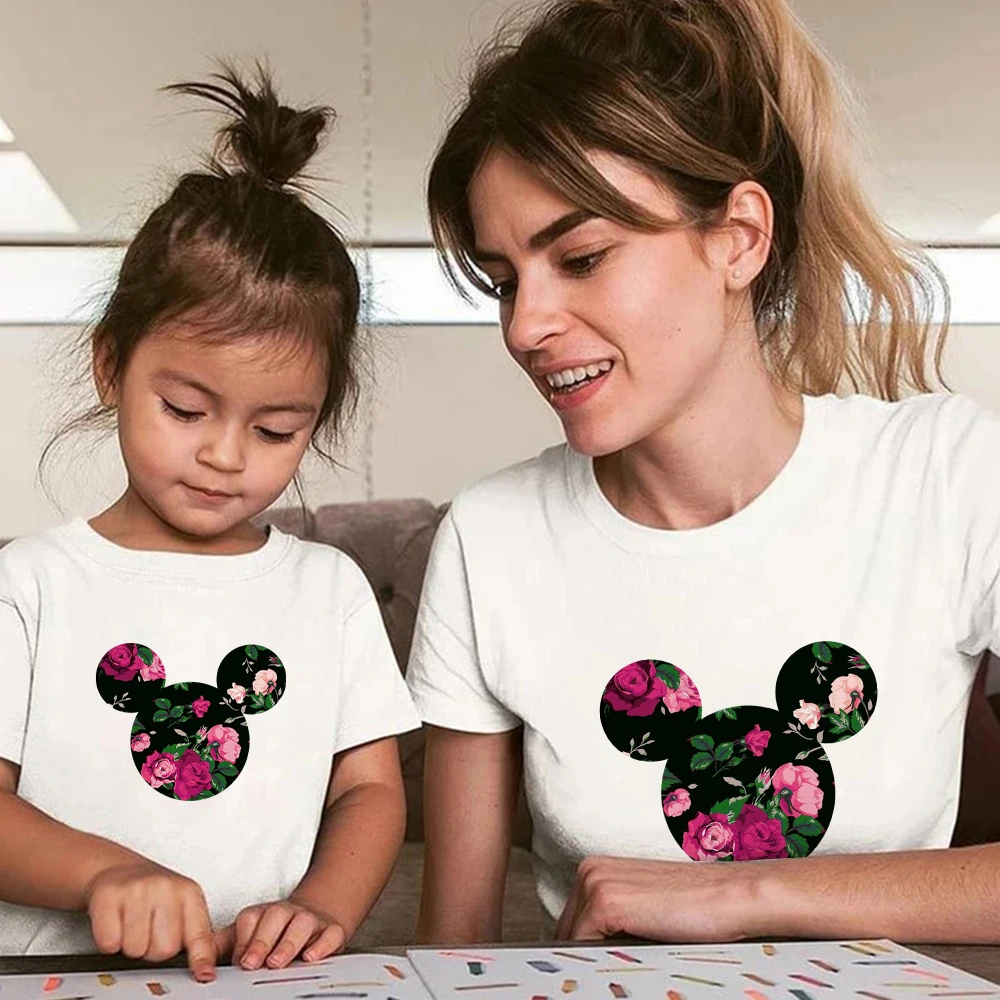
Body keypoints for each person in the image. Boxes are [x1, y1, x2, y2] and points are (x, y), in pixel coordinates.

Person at [406, 0, 1000, 945]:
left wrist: (741, 894)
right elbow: (457, 956)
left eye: (582, 257)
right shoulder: (491, 539)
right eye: (505, 281)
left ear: (739, 238)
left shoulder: (948, 476)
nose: (525, 326)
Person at [0, 66, 419, 977]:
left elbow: (369, 789)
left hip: (257, 981)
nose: (226, 455)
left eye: (275, 430)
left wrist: (322, 908)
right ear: (112, 365)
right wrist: (102, 872)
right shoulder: (29, 584)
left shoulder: (328, 590)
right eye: (186, 409)